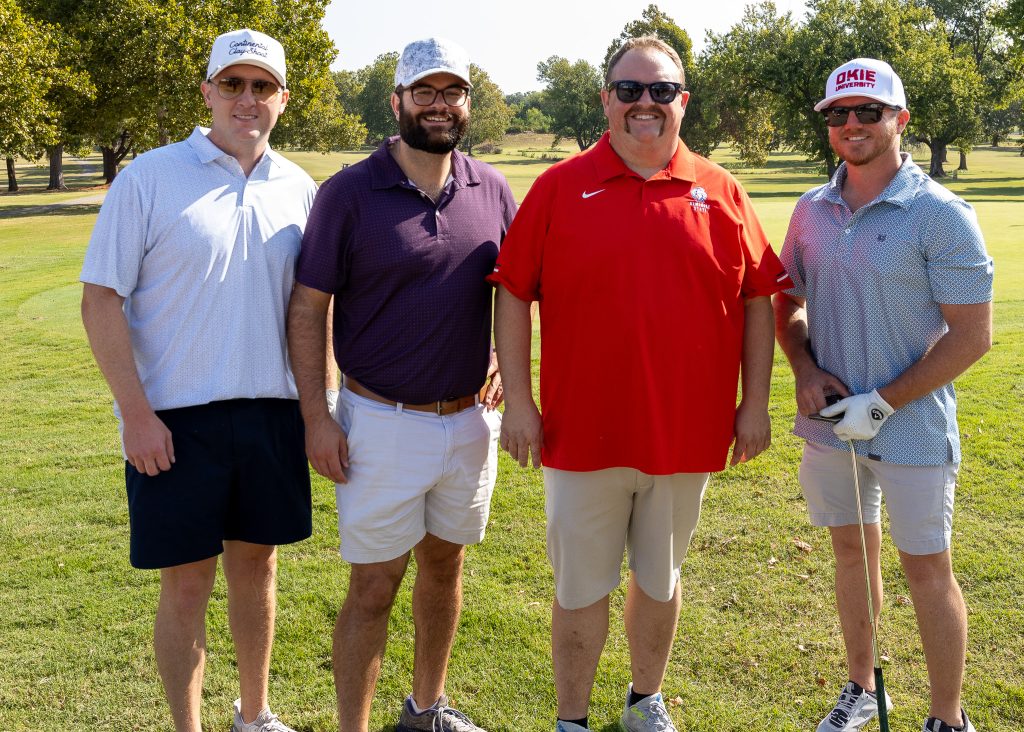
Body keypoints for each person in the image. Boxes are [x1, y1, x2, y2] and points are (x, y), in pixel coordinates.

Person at [490, 36, 792, 732]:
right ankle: (572, 718)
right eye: (630, 91)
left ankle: (644, 700)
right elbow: (512, 292)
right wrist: (522, 403)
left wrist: (753, 404)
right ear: (606, 99)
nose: (645, 104)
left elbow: (757, 298)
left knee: (660, 581)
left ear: (683, 101)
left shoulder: (720, 189)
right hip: (579, 432)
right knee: (579, 588)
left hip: (686, 433)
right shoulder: (560, 187)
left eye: (661, 91)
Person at [80, 28, 316, 732]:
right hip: (174, 420)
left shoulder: (301, 189)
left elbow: (315, 310)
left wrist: (320, 407)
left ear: (282, 98)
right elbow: (100, 299)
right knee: (186, 584)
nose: (247, 99)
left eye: (262, 86)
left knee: (259, 570)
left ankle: (255, 714)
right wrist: (136, 414)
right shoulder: (150, 177)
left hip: (273, 414)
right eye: (233, 84)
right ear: (207, 90)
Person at [286, 37, 515, 732]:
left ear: (468, 105)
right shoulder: (348, 193)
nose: (439, 106)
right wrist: (317, 417)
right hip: (378, 420)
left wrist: (505, 357)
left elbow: (512, 291)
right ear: (397, 102)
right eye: (425, 92)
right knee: (373, 586)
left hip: (468, 423)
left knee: (445, 566)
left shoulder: (492, 187)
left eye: (452, 93)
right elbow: (307, 309)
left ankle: (426, 708)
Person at [773, 58, 993, 732]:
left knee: (927, 570)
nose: (852, 124)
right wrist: (806, 370)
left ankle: (947, 718)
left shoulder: (941, 214)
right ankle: (861, 687)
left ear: (901, 119)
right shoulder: (812, 210)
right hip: (830, 426)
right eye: (838, 114)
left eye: (868, 111)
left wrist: (885, 401)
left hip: (913, 429)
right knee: (850, 556)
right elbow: (788, 301)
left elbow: (971, 337)